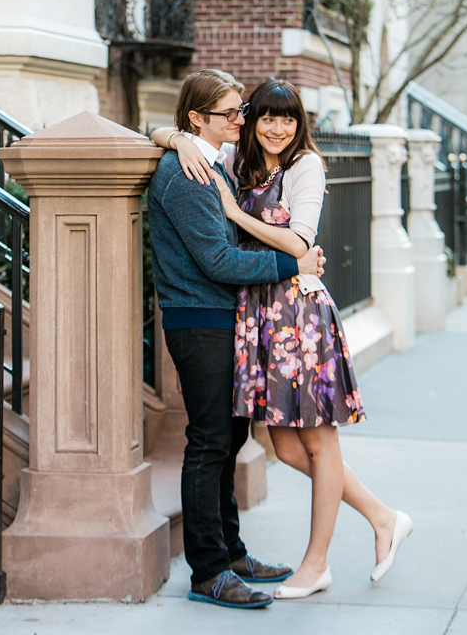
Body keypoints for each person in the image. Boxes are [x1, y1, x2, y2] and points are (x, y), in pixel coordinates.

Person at [161, 78, 413, 601]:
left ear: (300, 125)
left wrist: (242, 219)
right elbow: (218, 255)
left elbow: (301, 239)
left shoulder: (303, 166)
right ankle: (381, 516)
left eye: (286, 118)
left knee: (304, 443)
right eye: (251, 115)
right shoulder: (224, 162)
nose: (261, 124)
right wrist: (174, 137)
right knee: (270, 444)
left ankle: (312, 562)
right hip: (250, 314)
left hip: (295, 313)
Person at [147, 69, 326, 610]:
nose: (240, 121)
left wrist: (173, 132)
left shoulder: (211, 161)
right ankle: (209, 571)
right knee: (209, 443)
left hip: (226, 317)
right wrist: (291, 263)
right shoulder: (187, 173)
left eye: (239, 111)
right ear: (198, 117)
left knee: (230, 440)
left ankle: (231, 551)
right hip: (199, 318)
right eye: (230, 113)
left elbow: (158, 130)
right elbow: (216, 259)